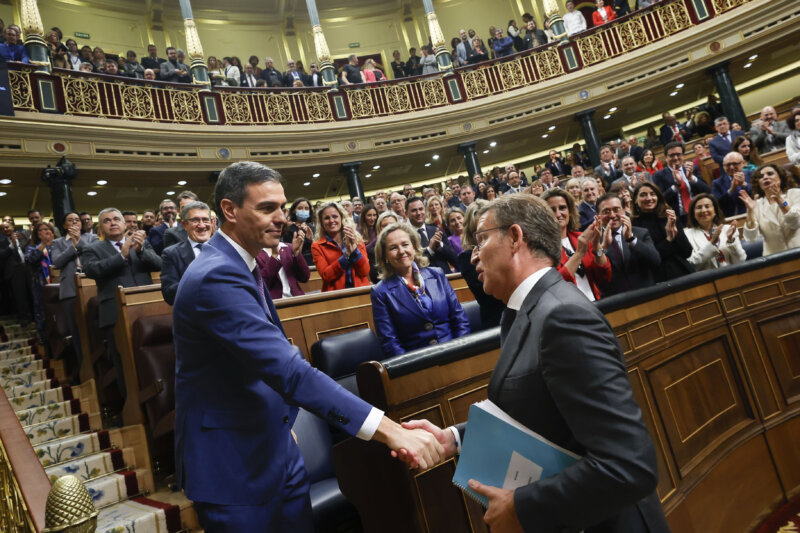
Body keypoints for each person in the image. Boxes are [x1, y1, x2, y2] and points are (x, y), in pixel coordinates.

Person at [172, 161, 444, 532]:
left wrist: (281, 422)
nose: (281, 218)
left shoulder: (241, 264)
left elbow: (253, 363)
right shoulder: (215, 275)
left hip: (276, 447)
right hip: (235, 467)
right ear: (229, 210)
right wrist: (389, 430)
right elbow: (288, 370)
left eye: (282, 207)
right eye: (267, 208)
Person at [404, 193, 669, 533]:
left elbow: (629, 466)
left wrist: (522, 507)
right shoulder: (521, 311)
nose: (473, 255)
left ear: (515, 237)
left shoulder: (564, 316)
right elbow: (537, 410)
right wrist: (453, 439)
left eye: (481, 240)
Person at [82, 208, 162, 399]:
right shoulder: (92, 249)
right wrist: (120, 256)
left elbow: (159, 264)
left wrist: (141, 251)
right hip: (115, 314)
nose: (113, 223)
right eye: (107, 221)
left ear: (125, 224)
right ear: (101, 227)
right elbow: (92, 270)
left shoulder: (140, 243)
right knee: (125, 362)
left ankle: (158, 399)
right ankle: (131, 404)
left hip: (147, 307)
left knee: (152, 357)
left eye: (116, 219)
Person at [370, 223, 470, 357]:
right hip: (417, 363)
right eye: (393, 248)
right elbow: (390, 343)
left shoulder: (437, 274)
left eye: (405, 244)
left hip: (455, 353)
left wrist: (459, 353)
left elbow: (460, 320)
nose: (401, 251)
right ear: (385, 256)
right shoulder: (380, 292)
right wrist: (417, 366)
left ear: (414, 247)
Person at [51, 212, 98, 380]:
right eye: (70, 220)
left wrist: (80, 241)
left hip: (92, 287)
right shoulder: (58, 242)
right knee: (77, 332)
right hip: (69, 291)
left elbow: (94, 253)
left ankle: (99, 367)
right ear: (64, 225)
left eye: (77, 220)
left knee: (94, 329)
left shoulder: (91, 238)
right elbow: (57, 262)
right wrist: (73, 246)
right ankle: (85, 370)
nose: (74, 223)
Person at [543, 188, 611, 301]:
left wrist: (596, 246)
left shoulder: (580, 237)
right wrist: (579, 253)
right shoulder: (541, 247)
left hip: (595, 302)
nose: (558, 214)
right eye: (552, 210)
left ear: (570, 211)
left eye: (562, 208)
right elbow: (557, 285)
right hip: (569, 306)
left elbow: (604, 275)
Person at [596, 193, 660, 296]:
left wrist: (631, 239)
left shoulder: (640, 233)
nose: (612, 215)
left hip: (647, 295)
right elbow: (595, 268)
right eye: (606, 211)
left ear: (624, 211)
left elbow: (655, 260)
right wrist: (604, 247)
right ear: (598, 216)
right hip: (615, 300)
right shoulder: (594, 240)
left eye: (616, 209)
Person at [631, 182, 695, 282]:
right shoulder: (633, 226)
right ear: (635, 200)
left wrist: (676, 234)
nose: (649, 198)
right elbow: (650, 259)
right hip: (658, 280)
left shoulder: (669, 217)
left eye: (653, 194)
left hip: (684, 272)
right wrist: (669, 239)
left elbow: (687, 252)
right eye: (643, 195)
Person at [160, 202, 213, 306]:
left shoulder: (225, 249)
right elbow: (169, 295)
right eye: (195, 220)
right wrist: (199, 279)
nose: (202, 225)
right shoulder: (171, 254)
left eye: (206, 220)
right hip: (194, 311)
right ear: (184, 225)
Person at [741, 164, 800, 255]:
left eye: (770, 174)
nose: (765, 177)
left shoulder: (795, 194)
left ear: (780, 177)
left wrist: (780, 201)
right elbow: (751, 238)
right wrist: (750, 212)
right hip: (775, 258)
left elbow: (795, 223)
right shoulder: (756, 205)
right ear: (759, 184)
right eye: (761, 176)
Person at [311, 202, 370, 291]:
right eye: (326, 218)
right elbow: (326, 276)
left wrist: (354, 250)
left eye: (335, 216)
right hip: (335, 295)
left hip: (360, 292)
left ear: (342, 218)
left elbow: (365, 271)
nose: (331, 221)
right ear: (322, 223)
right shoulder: (317, 246)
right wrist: (347, 255)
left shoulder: (356, 239)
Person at [653, 141, 711, 225]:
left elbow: (707, 190)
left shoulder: (692, 169)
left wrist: (691, 178)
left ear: (683, 155)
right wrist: (676, 186)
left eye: (678, 154)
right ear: (666, 157)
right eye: (672, 155)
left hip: (698, 214)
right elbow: (660, 199)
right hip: (676, 219)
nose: (676, 158)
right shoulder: (659, 175)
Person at [684, 194, 746, 271]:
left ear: (715, 211)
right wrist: (712, 243)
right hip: (708, 277)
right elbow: (692, 264)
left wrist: (731, 241)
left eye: (707, 206)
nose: (704, 210)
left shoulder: (727, 229)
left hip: (732, 274)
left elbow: (741, 260)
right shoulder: (687, 235)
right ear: (693, 214)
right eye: (699, 207)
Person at [256, 221, 310, 300]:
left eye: (278, 225)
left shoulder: (288, 247)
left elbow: (304, 277)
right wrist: (274, 257)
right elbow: (261, 286)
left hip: (297, 300)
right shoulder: (256, 253)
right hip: (275, 303)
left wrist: (296, 253)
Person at [407, 197, 459, 273]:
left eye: (421, 209)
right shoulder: (406, 236)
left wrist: (441, 245)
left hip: (447, 276)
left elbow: (455, 260)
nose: (418, 213)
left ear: (425, 210)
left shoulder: (437, 230)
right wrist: (430, 249)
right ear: (406, 213)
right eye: (414, 210)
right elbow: (412, 263)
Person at [24, 222, 55, 342]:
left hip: (58, 283)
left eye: (47, 229)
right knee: (42, 313)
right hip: (40, 284)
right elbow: (31, 260)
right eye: (42, 229)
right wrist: (43, 244)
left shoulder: (57, 245)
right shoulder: (32, 248)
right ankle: (44, 340)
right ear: (37, 234)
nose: (45, 231)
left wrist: (50, 244)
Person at [712, 151, 753, 217]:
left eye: (735, 164)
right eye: (728, 165)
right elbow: (717, 204)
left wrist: (745, 184)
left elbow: (760, 193)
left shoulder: (752, 175)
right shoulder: (717, 183)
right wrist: (731, 190)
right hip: (732, 218)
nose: (731, 167)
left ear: (743, 163)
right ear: (723, 166)